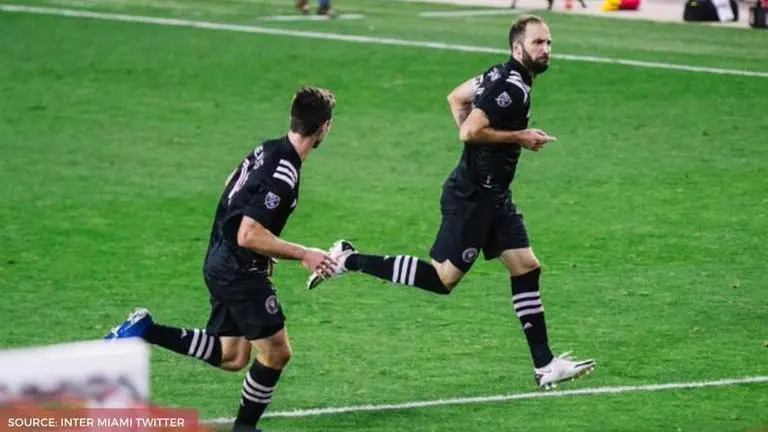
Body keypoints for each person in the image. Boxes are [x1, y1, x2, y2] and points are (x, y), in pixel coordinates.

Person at [308, 15, 596, 390]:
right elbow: (468, 130)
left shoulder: (498, 75)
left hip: (494, 195)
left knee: (526, 267)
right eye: (538, 43)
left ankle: (544, 366)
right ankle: (348, 259)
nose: (545, 50)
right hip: (474, 197)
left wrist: (485, 148)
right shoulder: (511, 87)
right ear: (517, 48)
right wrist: (518, 137)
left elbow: (457, 98)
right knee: (442, 280)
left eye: (548, 43)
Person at [105, 87, 339, 432]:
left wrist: (260, 244)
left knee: (233, 355)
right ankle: (244, 429)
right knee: (276, 353)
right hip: (238, 268)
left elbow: (232, 183)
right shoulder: (286, 170)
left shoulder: (267, 149)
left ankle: (145, 330)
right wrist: (304, 253)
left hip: (221, 256)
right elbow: (248, 234)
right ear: (324, 128)